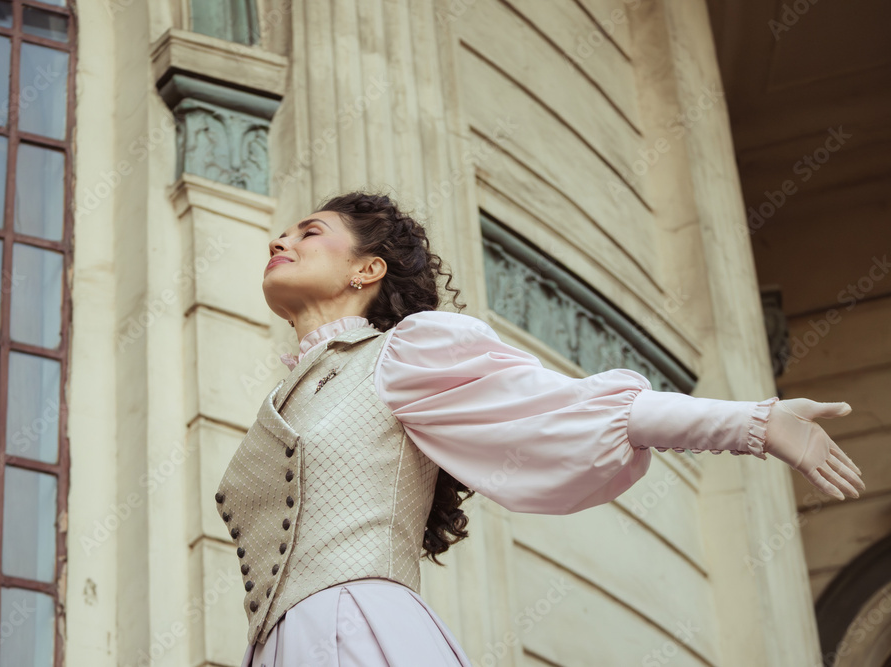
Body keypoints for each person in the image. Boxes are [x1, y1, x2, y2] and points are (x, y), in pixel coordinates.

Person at [214, 191, 865, 667]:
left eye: (310, 231)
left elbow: (563, 407)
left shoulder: (404, 353)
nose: (281, 240)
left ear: (368, 269)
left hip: (356, 633)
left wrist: (751, 421)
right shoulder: (293, 393)